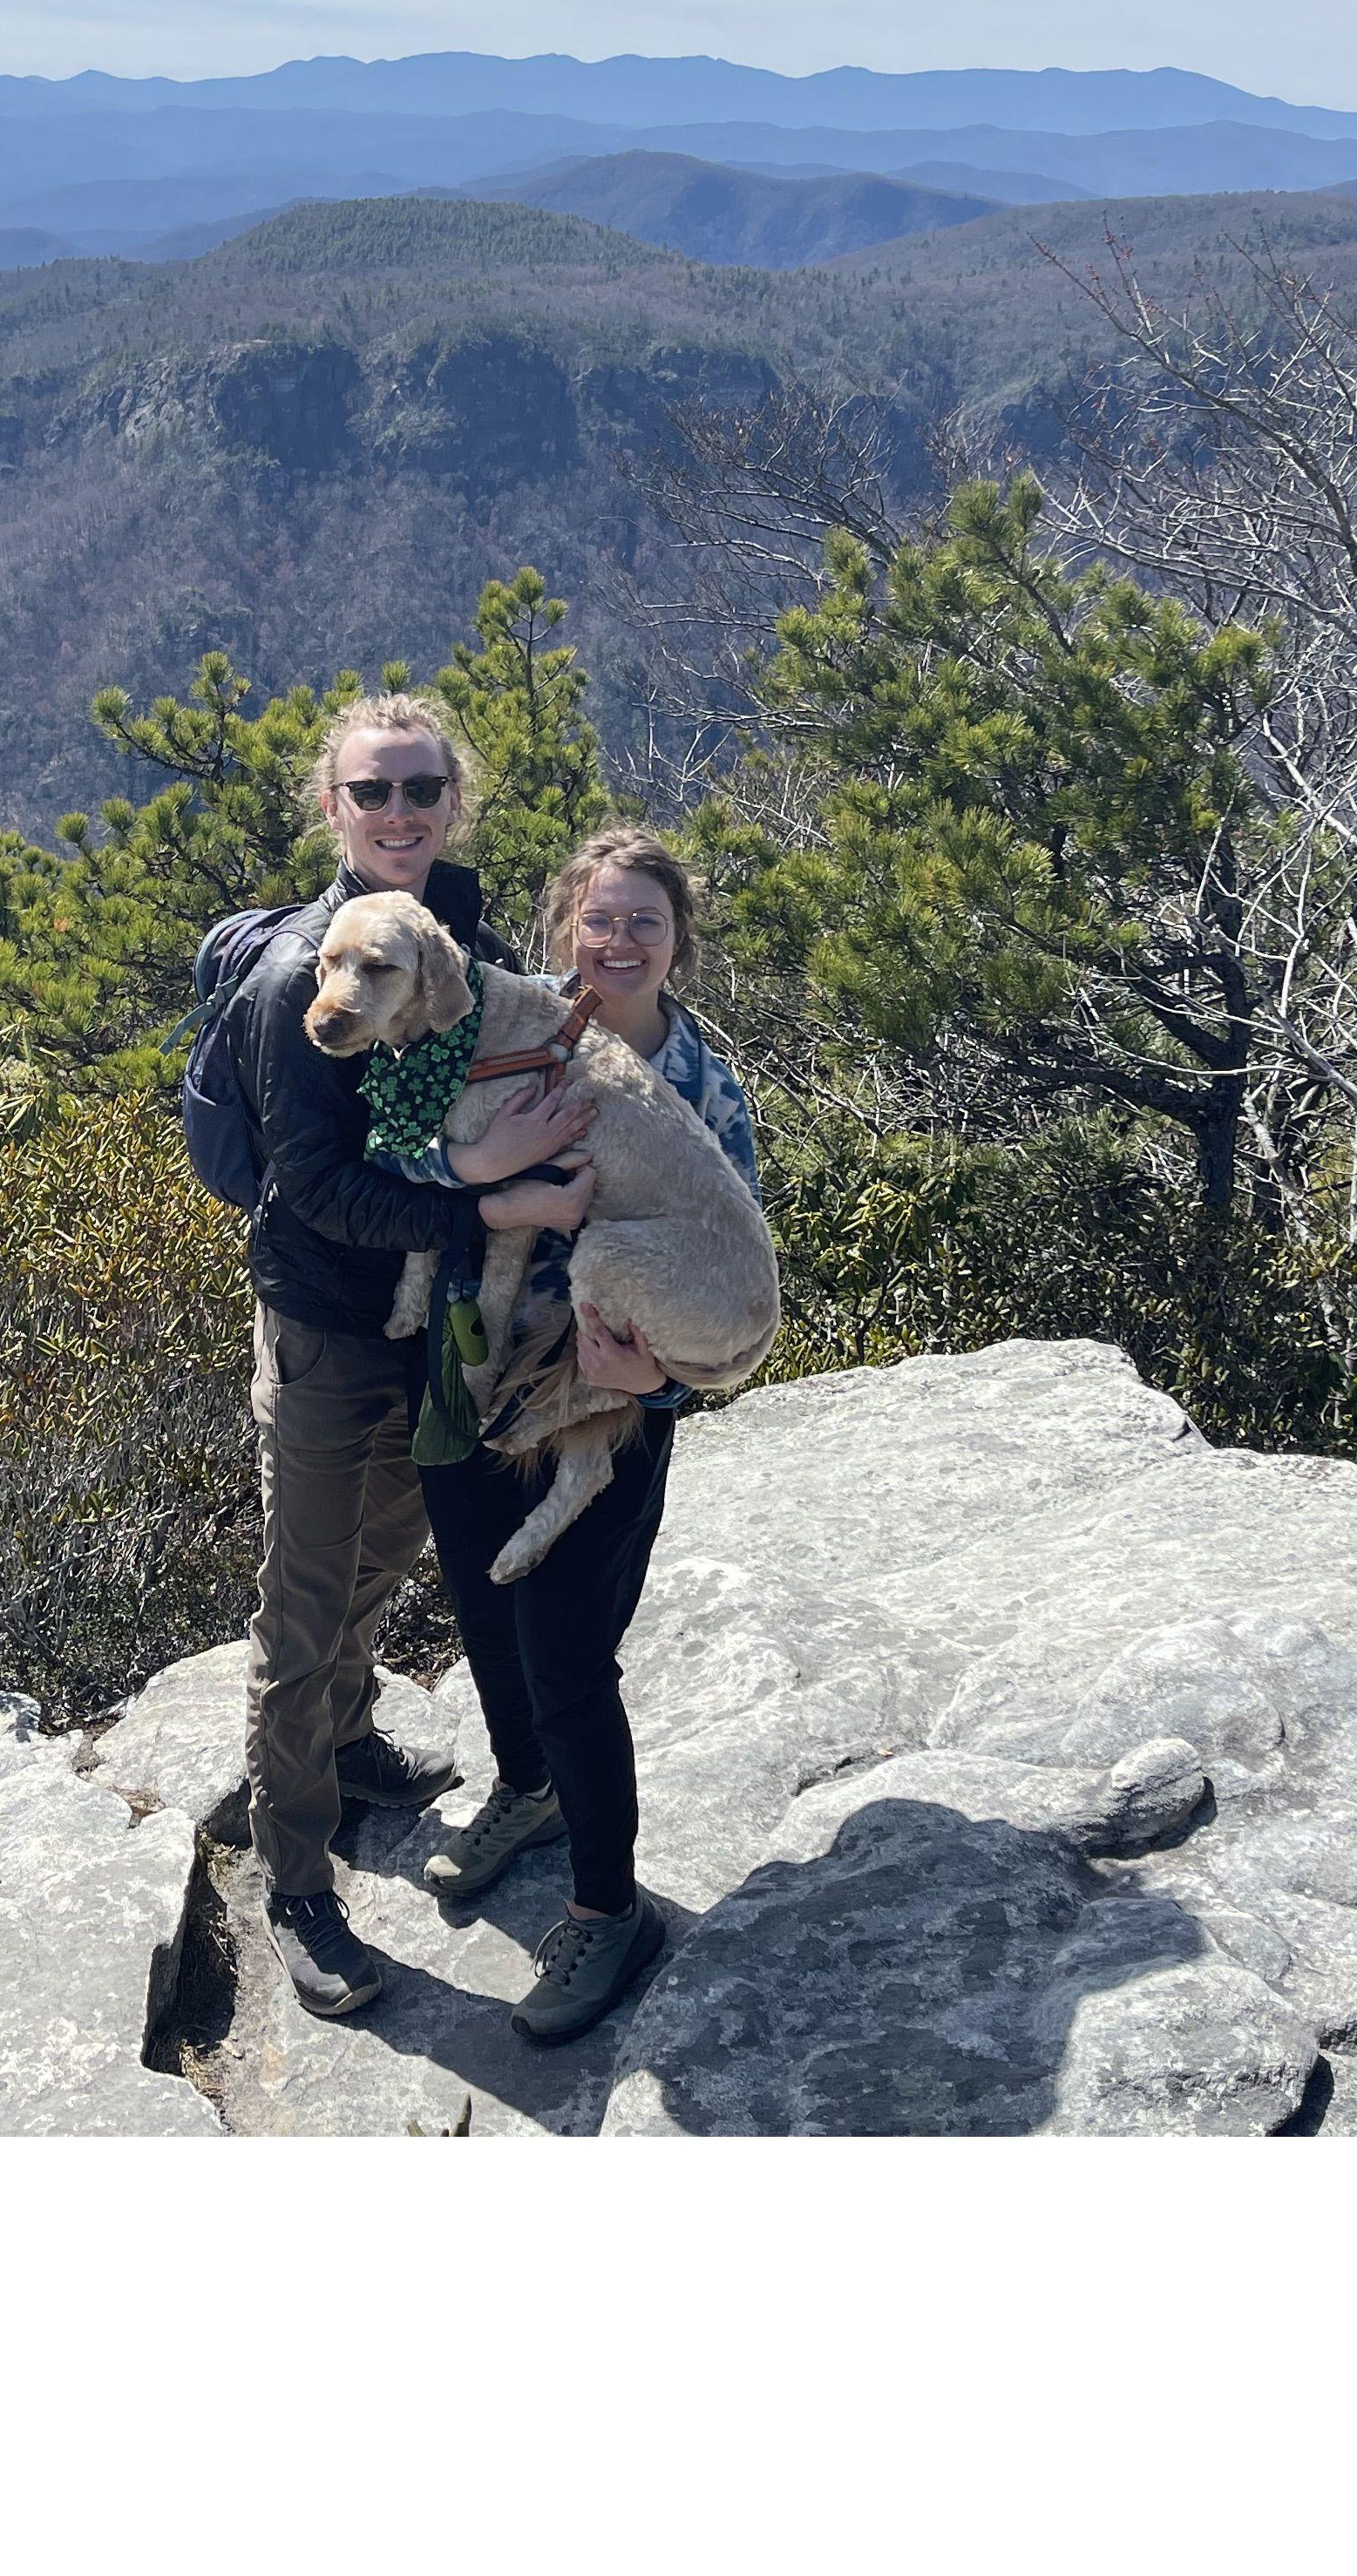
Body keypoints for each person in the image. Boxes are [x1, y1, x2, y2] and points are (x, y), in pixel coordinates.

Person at [217, 692, 605, 2020]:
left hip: (437, 1324)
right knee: (307, 1596)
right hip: (331, 1323)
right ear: (331, 809)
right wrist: (484, 1212)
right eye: (370, 793)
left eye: (420, 790)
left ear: (455, 804)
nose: (398, 815)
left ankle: (342, 1738)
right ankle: (298, 1880)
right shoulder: (296, 982)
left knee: (388, 1547)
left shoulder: (456, 940)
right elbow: (316, 1186)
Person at [392, 825, 760, 2046]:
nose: (618, 940)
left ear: (678, 943)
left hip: (608, 1404)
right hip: (474, 1370)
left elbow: (730, 1274)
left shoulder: (707, 1093)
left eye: (644, 921)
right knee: (484, 1610)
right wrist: (489, 1179)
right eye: (598, 918)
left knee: (565, 1650)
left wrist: (655, 1377)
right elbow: (392, 1143)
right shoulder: (500, 1027)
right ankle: (526, 1791)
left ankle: (609, 1908)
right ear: (562, 929)